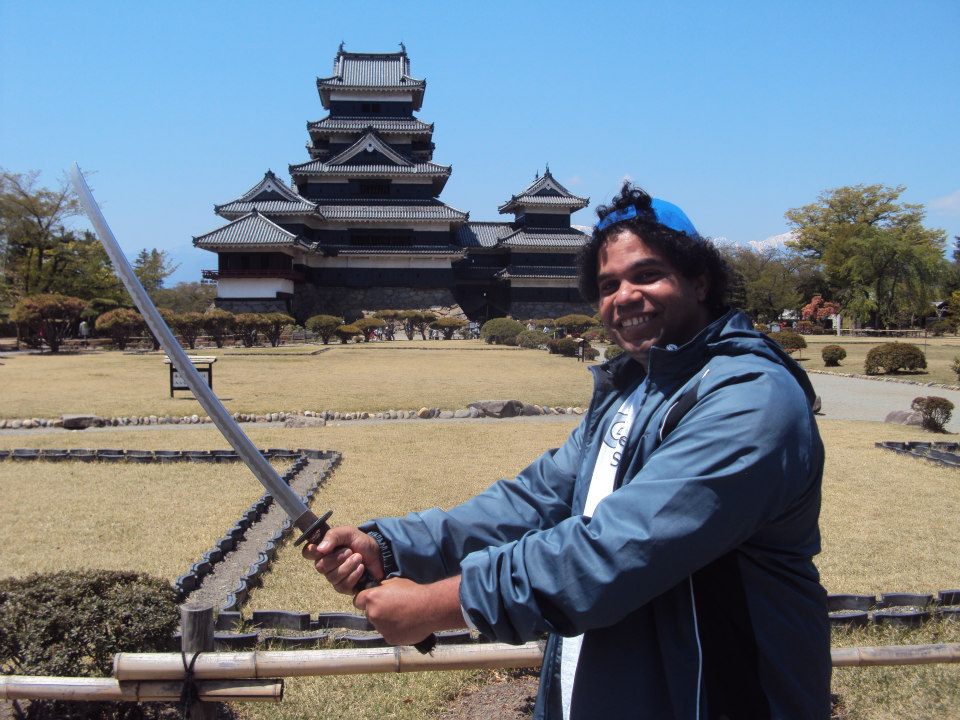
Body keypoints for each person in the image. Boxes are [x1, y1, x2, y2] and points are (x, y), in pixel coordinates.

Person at [303, 182, 830, 719]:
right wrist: (389, 546)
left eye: (647, 274)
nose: (624, 297)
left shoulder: (750, 399)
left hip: (715, 697)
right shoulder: (633, 392)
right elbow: (533, 502)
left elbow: (615, 551)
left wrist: (437, 606)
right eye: (607, 285)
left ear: (700, 281)